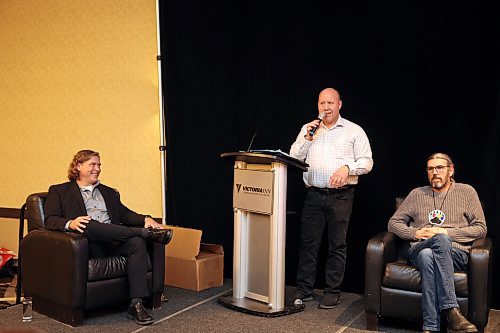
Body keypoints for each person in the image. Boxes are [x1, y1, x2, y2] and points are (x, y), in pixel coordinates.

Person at [44, 149, 173, 326]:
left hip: (113, 241)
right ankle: (144, 233)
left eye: (99, 165)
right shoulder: (59, 191)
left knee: (136, 242)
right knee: (87, 223)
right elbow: (50, 219)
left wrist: (145, 219)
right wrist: (70, 223)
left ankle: (136, 304)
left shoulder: (109, 192)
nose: (97, 169)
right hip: (87, 244)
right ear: (78, 166)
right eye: (92, 165)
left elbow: (125, 214)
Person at [289, 88, 373, 309]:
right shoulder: (309, 130)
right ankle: (304, 289)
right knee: (308, 243)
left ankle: (332, 291)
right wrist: (307, 137)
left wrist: (347, 168)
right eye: (321, 103)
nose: (325, 108)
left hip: (341, 196)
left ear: (339, 105)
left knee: (337, 245)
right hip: (314, 194)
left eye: (330, 103)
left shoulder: (353, 131)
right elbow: (294, 158)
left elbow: (367, 162)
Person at [388, 153, 486, 333]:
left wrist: (446, 232)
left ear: (451, 170)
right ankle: (451, 311)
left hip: (455, 252)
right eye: (431, 169)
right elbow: (393, 223)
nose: (435, 172)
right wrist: (415, 233)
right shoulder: (417, 193)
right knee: (426, 251)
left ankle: (430, 326)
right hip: (419, 247)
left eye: (439, 168)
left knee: (431, 252)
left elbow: (480, 228)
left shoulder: (467, 192)